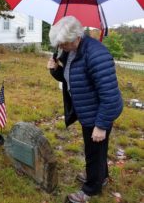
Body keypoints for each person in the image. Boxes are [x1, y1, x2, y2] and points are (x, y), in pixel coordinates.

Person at [47, 16, 123, 202]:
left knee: (93, 151)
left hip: (98, 111)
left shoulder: (97, 55)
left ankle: (90, 189)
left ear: (76, 38)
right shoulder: (71, 51)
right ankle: (100, 176)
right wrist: (54, 69)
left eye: (63, 44)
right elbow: (70, 78)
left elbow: (110, 97)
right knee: (98, 150)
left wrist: (101, 125)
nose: (61, 47)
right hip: (87, 108)